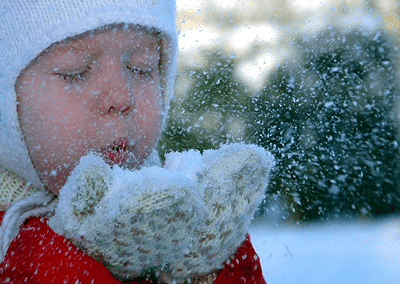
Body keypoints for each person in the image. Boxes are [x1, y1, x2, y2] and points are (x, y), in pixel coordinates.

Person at [0, 0, 268, 283]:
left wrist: (210, 265)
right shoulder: (14, 248)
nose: (121, 96)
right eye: (75, 71)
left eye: (142, 68)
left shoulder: (183, 217)